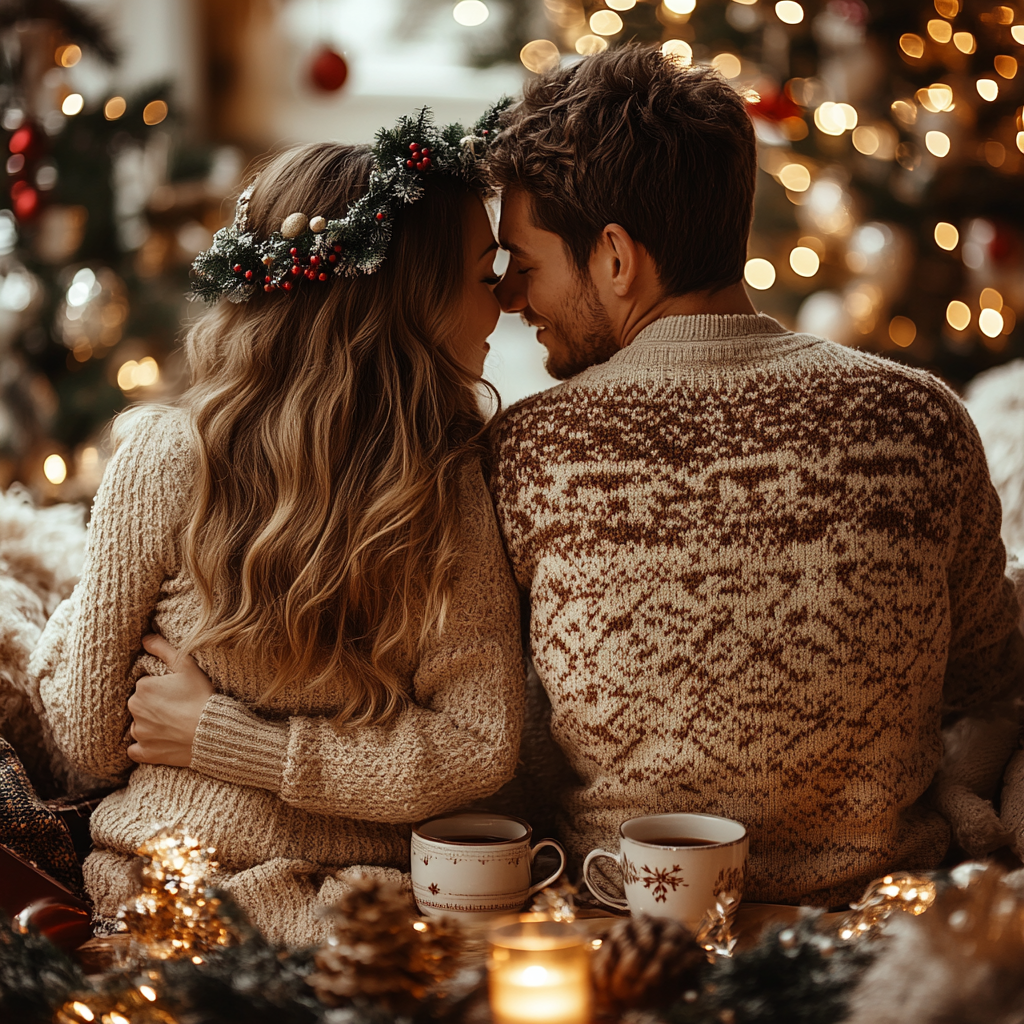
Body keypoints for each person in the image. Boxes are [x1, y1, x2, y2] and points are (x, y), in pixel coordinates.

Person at [485, 46, 1024, 907]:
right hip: (875, 920)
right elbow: (986, 678)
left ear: (616, 257)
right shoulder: (920, 417)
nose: (512, 297)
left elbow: (500, 732)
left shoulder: (531, 449)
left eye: (526, 261)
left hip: (629, 920)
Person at [32, 123, 524, 946]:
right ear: (413, 298)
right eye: (483, 277)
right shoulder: (453, 480)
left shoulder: (162, 454)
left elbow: (87, 736)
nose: (504, 301)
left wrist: (220, 736)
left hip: (162, 902)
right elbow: (474, 746)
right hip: (372, 921)